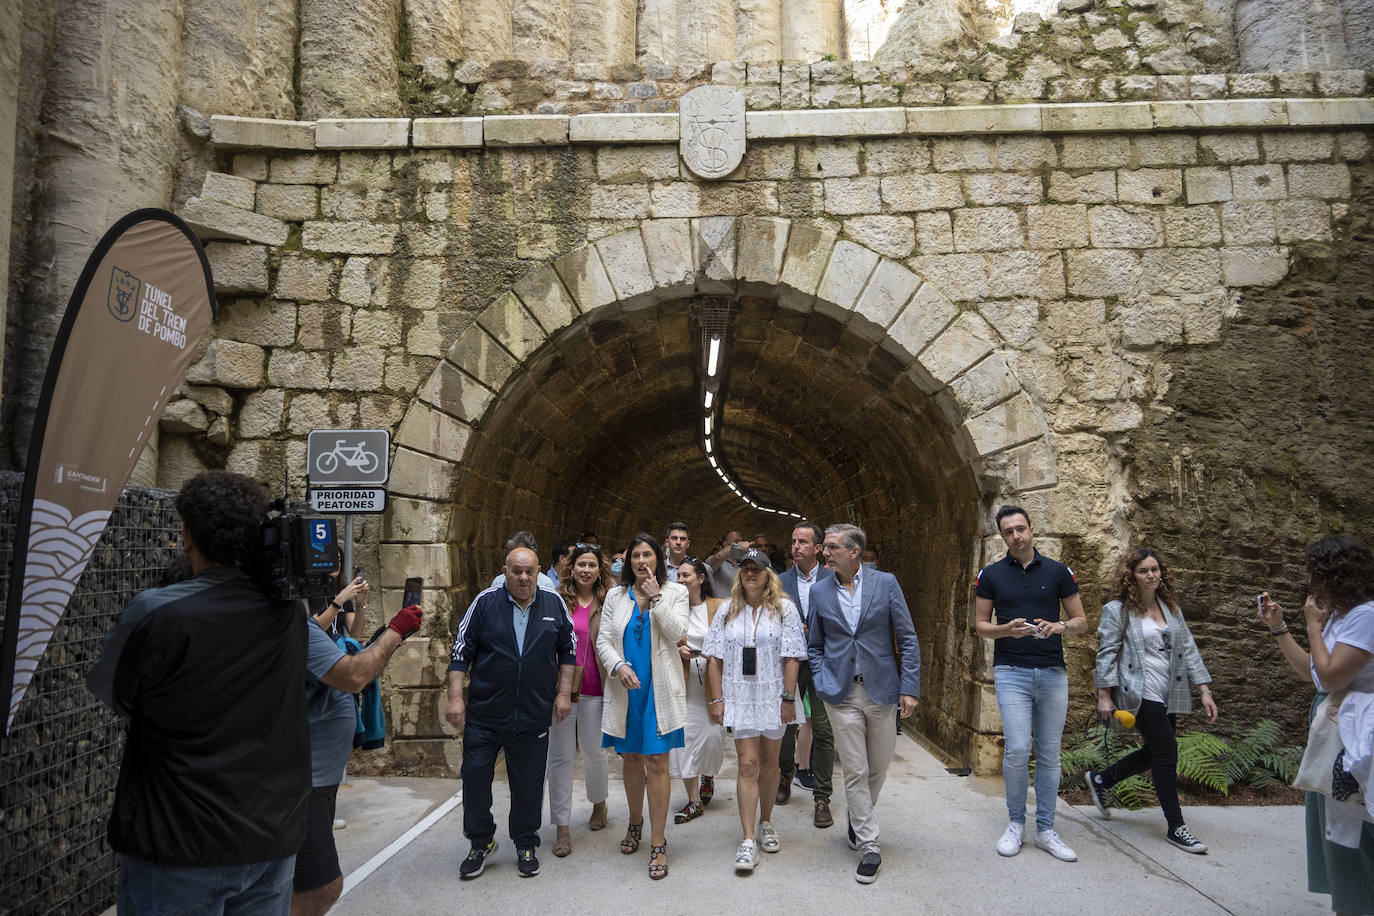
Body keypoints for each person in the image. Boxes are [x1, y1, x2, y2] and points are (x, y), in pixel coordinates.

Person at [86, 471, 309, 915]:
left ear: (186, 535)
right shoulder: (288, 614)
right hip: (272, 839)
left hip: (177, 844)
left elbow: (111, 691)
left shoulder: (158, 611)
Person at [1257, 536, 1374, 916]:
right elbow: (1313, 675)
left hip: (1355, 734)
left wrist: (1312, 624)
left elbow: (1333, 677)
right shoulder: (1342, 615)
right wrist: (1279, 628)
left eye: (1315, 572)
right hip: (1333, 730)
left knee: (1353, 827)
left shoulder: (1366, 615)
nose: (1310, 581)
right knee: (1337, 830)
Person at [446, 547, 576, 880]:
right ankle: (481, 841)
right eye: (516, 571)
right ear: (505, 570)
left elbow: (568, 650)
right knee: (475, 778)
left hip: (533, 713)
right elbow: (461, 652)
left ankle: (525, 842)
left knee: (528, 784)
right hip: (485, 714)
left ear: (538, 572)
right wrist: (456, 698)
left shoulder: (553, 603)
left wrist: (563, 694)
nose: (522, 577)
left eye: (528, 571)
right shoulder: (485, 603)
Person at [293, 597, 423, 915]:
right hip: (305, 779)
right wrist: (395, 631)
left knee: (293, 883)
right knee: (320, 887)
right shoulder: (286, 622)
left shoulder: (297, 622)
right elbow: (353, 676)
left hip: (320, 778)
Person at [973, 504, 1087, 863]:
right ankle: (1015, 824)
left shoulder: (1058, 572)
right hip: (1011, 672)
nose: (1016, 536)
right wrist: (1006, 629)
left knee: (1050, 753)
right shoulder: (991, 575)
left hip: (1052, 671)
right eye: (1009, 532)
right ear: (1002, 536)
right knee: (1019, 749)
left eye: (1021, 529)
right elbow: (980, 625)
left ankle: (1047, 829)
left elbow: (1081, 620)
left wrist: (1060, 627)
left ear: (1031, 529)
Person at [808, 524, 921, 884]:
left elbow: (907, 637)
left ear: (854, 552)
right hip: (840, 693)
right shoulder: (820, 591)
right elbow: (814, 644)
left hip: (881, 689)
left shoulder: (886, 584)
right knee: (855, 769)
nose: (825, 552)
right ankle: (870, 844)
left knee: (880, 765)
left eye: (831, 547)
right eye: (825, 547)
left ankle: (858, 821)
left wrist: (910, 688)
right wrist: (822, 677)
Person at [1086, 548, 1218, 854]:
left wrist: (1204, 690)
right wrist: (1104, 696)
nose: (1151, 575)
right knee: (1167, 752)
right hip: (1138, 691)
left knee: (1153, 752)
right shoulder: (1117, 609)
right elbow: (1106, 654)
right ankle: (1176, 826)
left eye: (1155, 569)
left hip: (1168, 690)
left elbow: (1189, 650)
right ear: (1131, 576)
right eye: (1144, 570)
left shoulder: (1170, 608)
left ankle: (1102, 780)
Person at [704, 549, 806, 873]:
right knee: (747, 764)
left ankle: (765, 822)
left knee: (769, 763)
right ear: (740, 574)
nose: (751, 574)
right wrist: (717, 699)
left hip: (773, 694)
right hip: (740, 694)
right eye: (746, 569)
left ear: (768, 574)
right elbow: (714, 658)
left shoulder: (784, 609)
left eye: (757, 569)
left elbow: (792, 656)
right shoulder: (726, 611)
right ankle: (747, 839)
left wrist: (788, 698)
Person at [597, 533, 689, 880]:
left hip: (659, 689)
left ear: (658, 558)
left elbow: (677, 631)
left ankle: (658, 841)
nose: (640, 561)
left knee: (658, 761)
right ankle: (635, 823)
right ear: (628, 561)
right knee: (632, 758)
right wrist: (618, 666)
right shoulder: (616, 597)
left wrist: (656, 598)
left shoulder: (675, 592)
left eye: (647, 554)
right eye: (635, 555)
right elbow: (604, 639)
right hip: (627, 688)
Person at [546, 543, 612, 856]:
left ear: (600, 570)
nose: (586, 570)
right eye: (581, 564)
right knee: (559, 757)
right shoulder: (557, 601)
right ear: (571, 568)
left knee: (594, 751)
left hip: (595, 687)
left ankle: (599, 803)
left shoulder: (608, 601)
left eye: (592, 565)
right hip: (562, 689)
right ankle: (562, 827)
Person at [777, 521, 837, 827]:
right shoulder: (779, 581)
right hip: (790, 663)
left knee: (824, 731)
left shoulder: (833, 578)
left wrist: (817, 630)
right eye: (793, 541)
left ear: (817, 548)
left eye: (802, 542)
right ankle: (785, 776)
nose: (796, 546)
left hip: (823, 664)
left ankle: (822, 797)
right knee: (786, 723)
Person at [669, 557, 726, 823]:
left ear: (701, 579)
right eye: (678, 576)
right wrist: (677, 650)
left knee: (713, 737)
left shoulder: (719, 607)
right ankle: (693, 801)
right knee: (684, 741)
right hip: (683, 681)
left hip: (713, 682)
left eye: (686, 575)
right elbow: (662, 641)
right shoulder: (671, 607)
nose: (680, 580)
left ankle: (708, 774)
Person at [313, 550, 369, 641]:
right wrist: (339, 601)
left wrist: (360, 603)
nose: (337, 564)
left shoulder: (340, 590)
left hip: (338, 650)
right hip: (319, 651)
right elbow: (316, 630)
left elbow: (356, 633)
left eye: (339, 560)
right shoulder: (311, 592)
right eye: (332, 559)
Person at [490, 531, 556, 591]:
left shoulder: (546, 583)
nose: (523, 578)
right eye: (515, 553)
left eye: (524, 553)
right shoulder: (498, 582)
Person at [707, 530, 748, 599]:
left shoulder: (743, 565)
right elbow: (718, 557)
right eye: (736, 541)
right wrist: (737, 546)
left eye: (741, 541)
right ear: (725, 543)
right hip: (720, 607)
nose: (740, 544)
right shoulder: (715, 560)